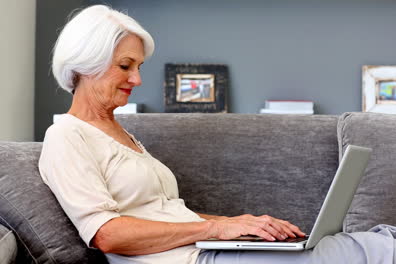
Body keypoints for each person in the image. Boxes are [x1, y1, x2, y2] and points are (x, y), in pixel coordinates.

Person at [38, 5, 311, 264]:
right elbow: (107, 234)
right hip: (188, 259)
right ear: (84, 66)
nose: (137, 80)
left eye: (139, 67)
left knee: (344, 245)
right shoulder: (66, 136)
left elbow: (164, 212)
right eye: (125, 66)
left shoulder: (120, 133)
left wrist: (238, 224)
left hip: (202, 252)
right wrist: (214, 228)